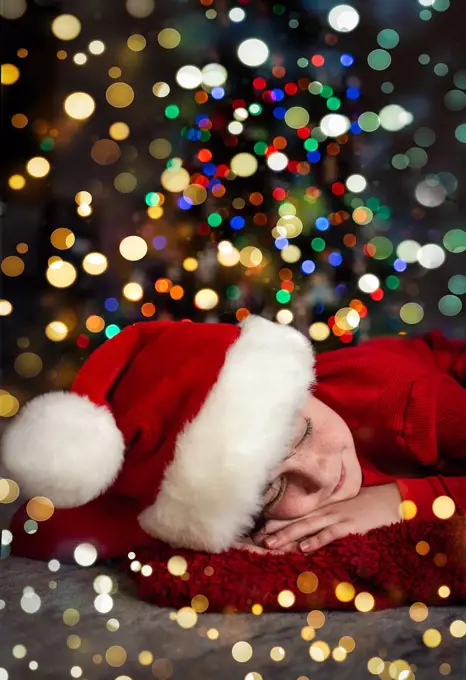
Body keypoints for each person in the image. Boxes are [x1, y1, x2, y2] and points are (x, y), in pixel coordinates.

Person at [1, 315, 465, 563]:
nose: (320, 473)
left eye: (300, 430)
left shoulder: (402, 401)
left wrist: (409, 499)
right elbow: (36, 527)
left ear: (302, 387)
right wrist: (193, 528)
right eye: (271, 489)